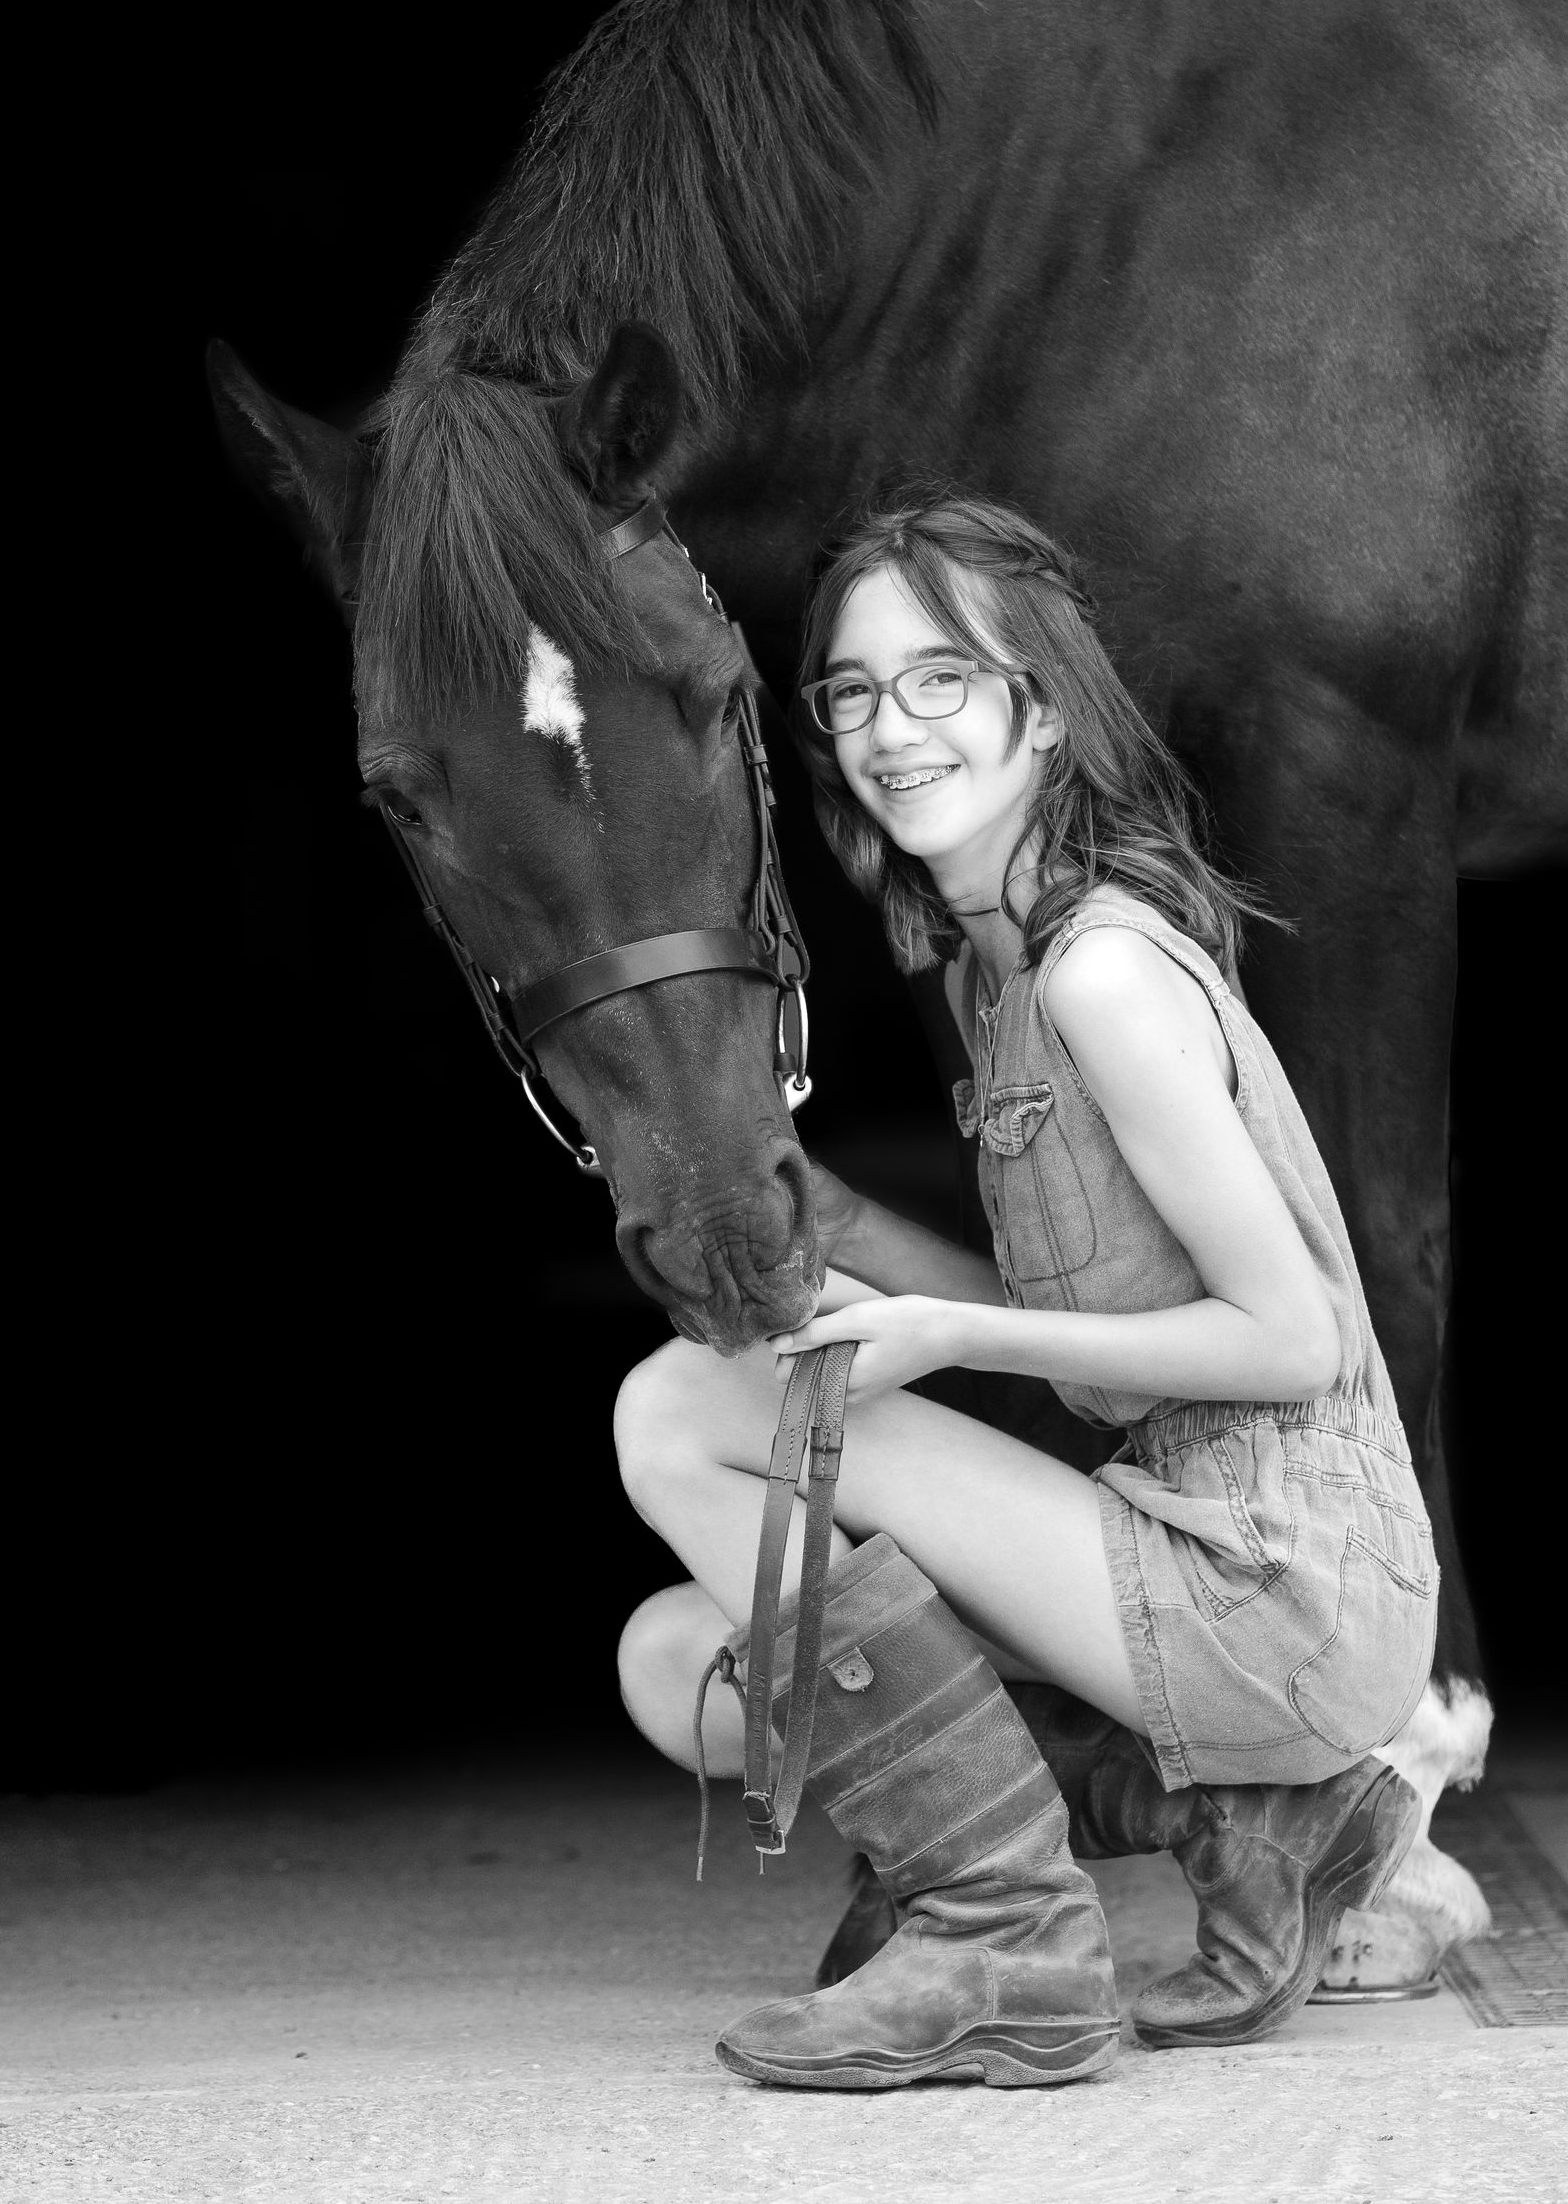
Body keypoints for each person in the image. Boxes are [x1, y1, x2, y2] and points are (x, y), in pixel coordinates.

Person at [614, 494, 1434, 2090]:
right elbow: (1110, 1306)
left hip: (1284, 1584)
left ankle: (1003, 1932)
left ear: (1043, 709)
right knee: (681, 1665)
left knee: (680, 1410)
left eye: (943, 678)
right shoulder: (997, 974)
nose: (890, 727)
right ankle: (1250, 1812)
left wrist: (952, 1334)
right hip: (1178, 1550)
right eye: (853, 690)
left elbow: (1293, 1339)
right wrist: (828, 1214)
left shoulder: (1100, 973)